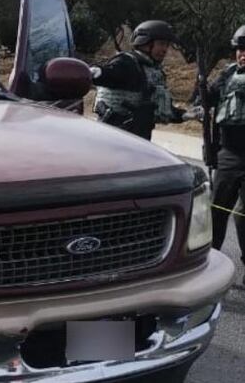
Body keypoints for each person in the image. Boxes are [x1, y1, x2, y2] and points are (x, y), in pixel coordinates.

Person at [92, 20, 189, 140]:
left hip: (139, 143)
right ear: (145, 43)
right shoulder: (126, 63)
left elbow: (160, 110)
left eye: (167, 45)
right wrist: (95, 72)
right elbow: (108, 74)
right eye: (161, 44)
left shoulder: (155, 72)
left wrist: (186, 115)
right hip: (112, 139)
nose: (165, 49)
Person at [200, 27, 245, 272]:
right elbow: (209, 99)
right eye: (240, 48)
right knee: (217, 210)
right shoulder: (227, 74)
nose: (243, 54)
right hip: (228, 153)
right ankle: (211, 262)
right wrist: (202, 89)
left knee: (243, 216)